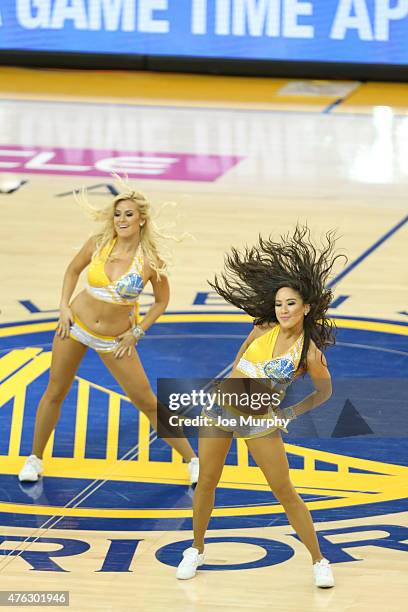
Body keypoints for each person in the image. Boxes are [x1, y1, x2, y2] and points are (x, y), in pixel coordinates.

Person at [176, 225, 345, 587]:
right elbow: (240, 360)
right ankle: (196, 548)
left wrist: (288, 413)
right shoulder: (262, 326)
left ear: (307, 307)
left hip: (260, 422)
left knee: (283, 489)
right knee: (207, 480)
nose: (283, 309)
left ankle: (319, 560)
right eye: (280, 303)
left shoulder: (309, 353)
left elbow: (324, 393)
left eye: (291, 304)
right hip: (219, 412)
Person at [18, 183, 199, 485]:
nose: (121, 220)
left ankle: (192, 459)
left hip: (115, 340)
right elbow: (72, 270)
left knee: (146, 400)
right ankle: (34, 459)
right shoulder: (98, 243)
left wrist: (137, 332)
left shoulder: (151, 261)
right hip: (74, 326)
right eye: (117, 214)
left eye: (128, 214)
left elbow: (162, 301)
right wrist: (63, 306)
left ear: (142, 219)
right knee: (55, 390)